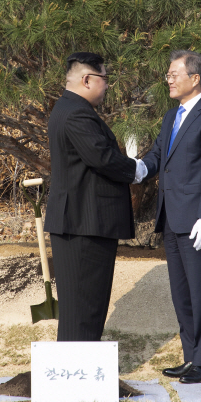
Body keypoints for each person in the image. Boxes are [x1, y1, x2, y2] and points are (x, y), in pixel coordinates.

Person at [44, 52, 146, 342]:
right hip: (84, 225)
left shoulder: (68, 107)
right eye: (104, 79)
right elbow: (102, 158)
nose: (107, 85)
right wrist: (138, 169)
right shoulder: (76, 112)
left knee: (83, 309)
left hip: (80, 222)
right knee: (85, 309)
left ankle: (77, 374)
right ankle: (78, 378)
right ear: (87, 79)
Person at [142, 50, 201, 384]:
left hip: (197, 221)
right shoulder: (171, 117)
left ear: (195, 78)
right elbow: (156, 155)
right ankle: (191, 356)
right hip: (171, 217)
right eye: (167, 74)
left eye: (174, 74)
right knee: (182, 293)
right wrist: (138, 169)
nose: (169, 78)